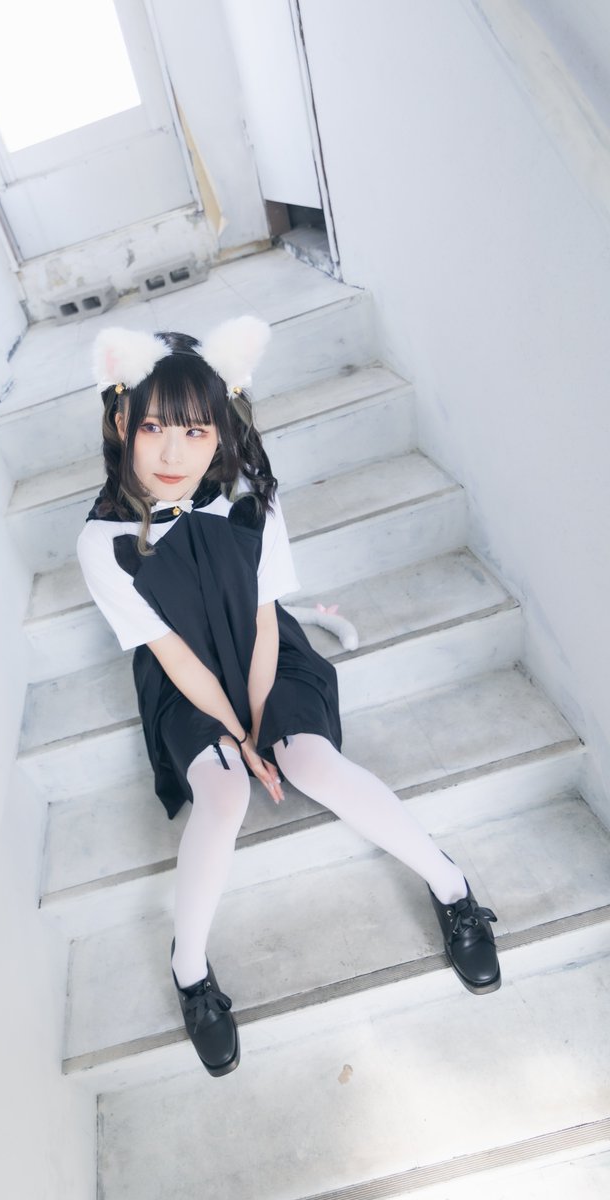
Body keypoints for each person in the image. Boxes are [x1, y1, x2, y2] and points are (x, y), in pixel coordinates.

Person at [77, 316, 500, 1078]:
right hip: (184, 680)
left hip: (265, 653)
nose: (173, 454)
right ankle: (190, 971)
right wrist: (240, 738)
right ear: (121, 423)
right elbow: (174, 658)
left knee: (311, 763)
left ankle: (454, 887)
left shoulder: (252, 499)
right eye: (153, 428)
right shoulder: (103, 542)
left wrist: (264, 718)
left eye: (196, 432)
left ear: (222, 431)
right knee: (224, 794)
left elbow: (266, 624)